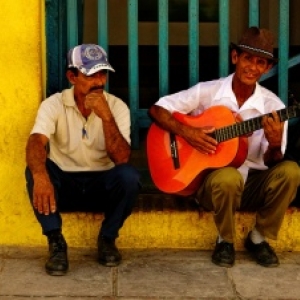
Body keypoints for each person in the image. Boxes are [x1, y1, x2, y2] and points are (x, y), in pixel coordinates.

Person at [148, 27, 300, 268]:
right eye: (248, 58)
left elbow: (273, 162)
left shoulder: (273, 107)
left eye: (260, 63)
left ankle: (258, 238)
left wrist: (273, 143)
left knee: (291, 171)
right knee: (227, 176)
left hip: (251, 186)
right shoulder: (207, 92)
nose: (252, 67)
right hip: (213, 186)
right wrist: (190, 133)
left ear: (267, 68)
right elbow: (157, 110)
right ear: (235, 57)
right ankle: (225, 241)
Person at [25, 44, 141, 275]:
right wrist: (40, 176)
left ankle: (107, 239)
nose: (98, 82)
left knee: (129, 177)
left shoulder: (117, 107)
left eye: (102, 74)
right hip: (65, 184)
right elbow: (36, 142)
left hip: (102, 185)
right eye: (90, 75)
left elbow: (122, 158)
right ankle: (56, 242)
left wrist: (106, 117)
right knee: (35, 169)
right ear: (72, 76)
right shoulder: (54, 104)